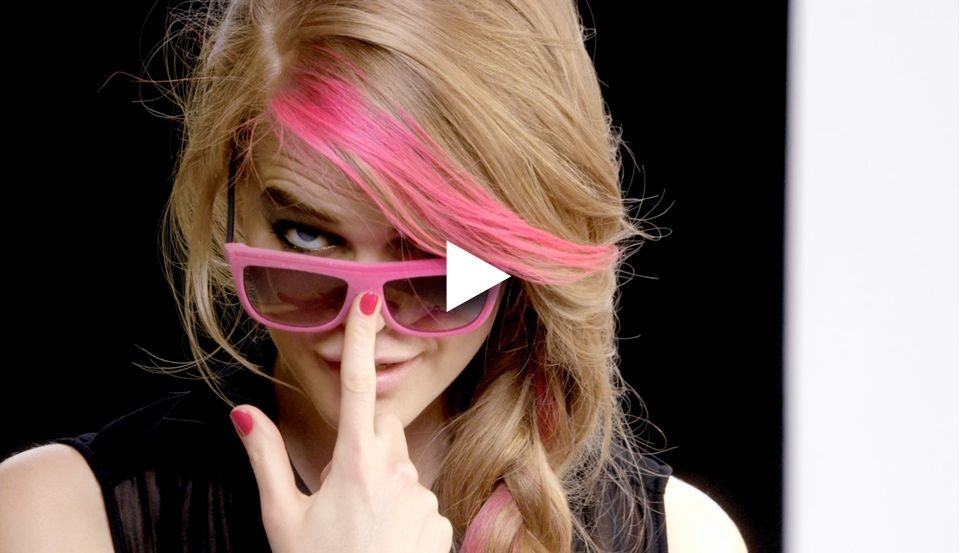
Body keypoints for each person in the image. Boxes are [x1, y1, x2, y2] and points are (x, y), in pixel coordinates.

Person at [0, 1, 748, 552]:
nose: (366, 323)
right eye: (305, 237)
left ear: (520, 247)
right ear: (230, 203)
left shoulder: (683, 539)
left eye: (430, 255)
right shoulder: (52, 518)